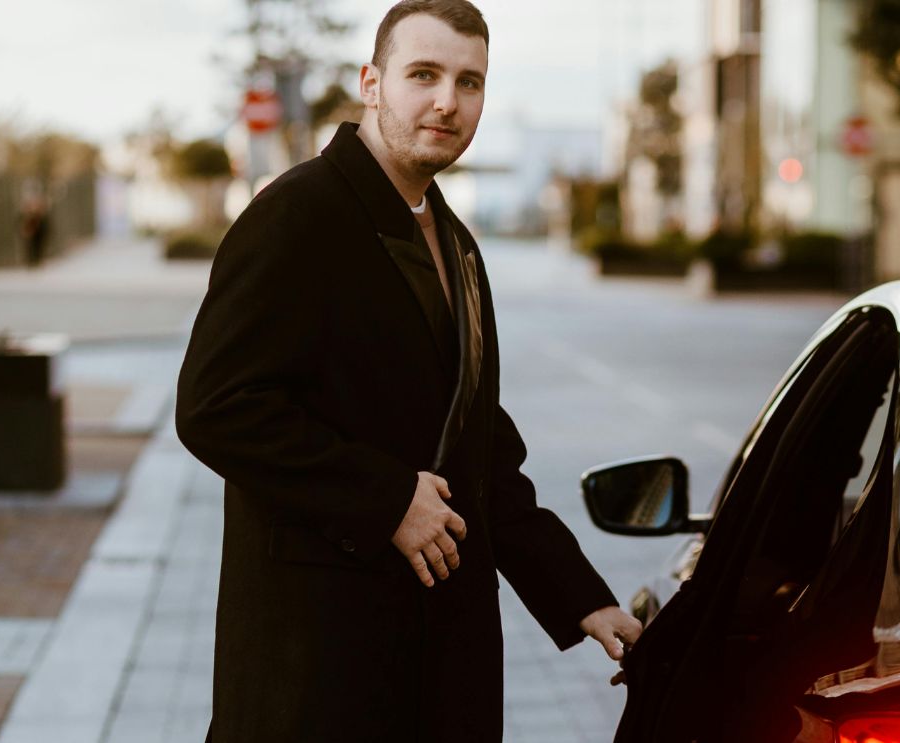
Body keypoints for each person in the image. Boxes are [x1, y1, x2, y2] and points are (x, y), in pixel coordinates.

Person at [175, 1, 642, 741]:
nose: (446, 102)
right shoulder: (295, 214)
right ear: (371, 82)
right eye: (422, 74)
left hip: (438, 666)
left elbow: (476, 440)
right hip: (321, 667)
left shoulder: (451, 238)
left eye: (469, 82)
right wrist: (386, 497)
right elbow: (215, 406)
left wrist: (579, 595)